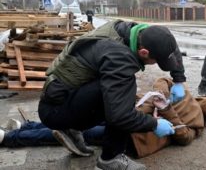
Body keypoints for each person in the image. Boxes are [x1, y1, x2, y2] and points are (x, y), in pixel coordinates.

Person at [38, 19, 187, 170]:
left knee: (120, 90)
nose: (156, 63)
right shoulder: (120, 57)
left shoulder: (131, 30)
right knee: (124, 94)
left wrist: (178, 79)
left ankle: (71, 128)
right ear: (144, 52)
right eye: (156, 61)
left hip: (61, 95)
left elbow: (169, 44)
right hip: (54, 110)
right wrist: (154, 124)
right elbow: (119, 116)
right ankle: (110, 160)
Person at [1, 78, 206, 158]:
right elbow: (163, 82)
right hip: (130, 124)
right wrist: (162, 100)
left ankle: (17, 132)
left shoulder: (190, 106)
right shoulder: (185, 96)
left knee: (76, 128)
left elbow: (183, 136)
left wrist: (165, 109)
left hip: (130, 123)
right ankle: (13, 135)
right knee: (79, 130)